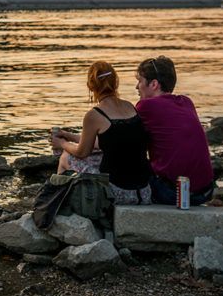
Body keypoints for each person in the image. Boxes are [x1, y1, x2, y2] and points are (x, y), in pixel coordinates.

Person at [51, 61, 152, 205]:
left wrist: (61, 143)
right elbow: (107, 141)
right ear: (116, 82)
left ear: (90, 86)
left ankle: (57, 202)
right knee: (99, 156)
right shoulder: (130, 106)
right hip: (144, 192)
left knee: (66, 156)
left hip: (117, 192)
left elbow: (81, 152)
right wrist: (69, 135)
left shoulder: (95, 115)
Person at [134, 56, 216, 205]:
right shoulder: (186, 102)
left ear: (153, 84)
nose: (136, 87)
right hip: (205, 191)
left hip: (173, 194)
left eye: (139, 81)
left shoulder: (145, 106)